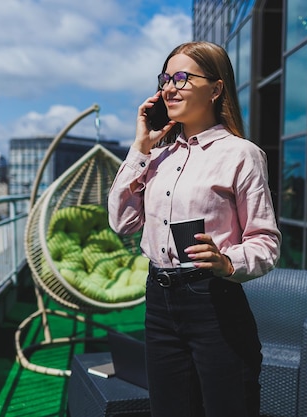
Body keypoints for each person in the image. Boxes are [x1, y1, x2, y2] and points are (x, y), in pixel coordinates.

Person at [108, 41, 281, 417]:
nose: (169, 87)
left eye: (183, 78)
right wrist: (139, 148)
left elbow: (265, 242)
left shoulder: (241, 154)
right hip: (159, 301)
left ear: (216, 89)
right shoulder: (157, 156)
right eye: (166, 78)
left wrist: (226, 261)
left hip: (213, 301)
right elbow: (122, 222)